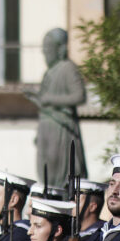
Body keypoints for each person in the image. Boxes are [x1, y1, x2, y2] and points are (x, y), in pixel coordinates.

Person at [25, 27, 87, 186]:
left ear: (59, 49)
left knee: (59, 177)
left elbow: (79, 96)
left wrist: (50, 99)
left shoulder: (67, 68)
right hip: (46, 128)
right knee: (45, 174)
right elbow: (45, 102)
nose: (45, 53)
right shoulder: (49, 72)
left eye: (48, 48)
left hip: (61, 130)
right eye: (44, 48)